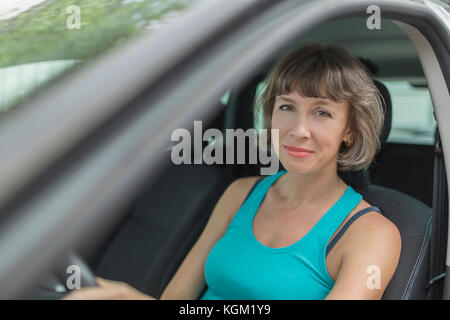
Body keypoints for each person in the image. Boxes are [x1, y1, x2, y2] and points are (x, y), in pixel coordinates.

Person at [63, 43, 401, 300]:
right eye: (287, 107)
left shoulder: (372, 235)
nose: (298, 129)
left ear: (350, 131)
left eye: (322, 113)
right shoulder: (241, 193)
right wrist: (126, 296)